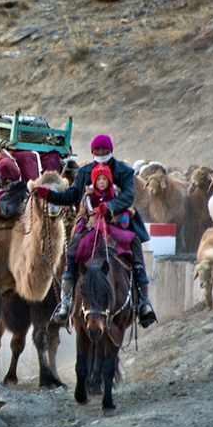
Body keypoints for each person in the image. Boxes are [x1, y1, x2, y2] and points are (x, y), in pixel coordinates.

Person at [33, 134, 156, 328]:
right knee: (72, 250)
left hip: (118, 222)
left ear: (110, 150)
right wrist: (50, 195)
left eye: (104, 150)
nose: (100, 153)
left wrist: (110, 206)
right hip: (91, 222)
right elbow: (72, 195)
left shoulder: (124, 171)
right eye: (97, 150)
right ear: (92, 152)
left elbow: (128, 196)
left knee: (134, 245)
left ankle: (143, 302)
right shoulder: (84, 173)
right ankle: (66, 302)